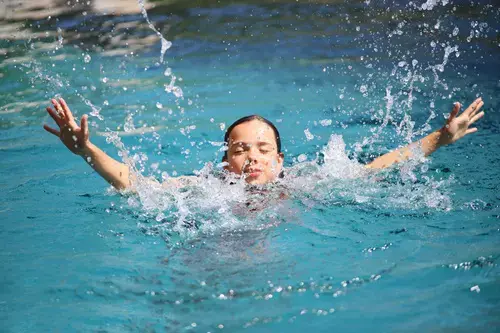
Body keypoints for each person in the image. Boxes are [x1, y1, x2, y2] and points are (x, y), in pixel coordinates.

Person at [43, 97, 484, 190]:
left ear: (280, 159)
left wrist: (441, 138)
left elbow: (379, 166)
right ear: (225, 160)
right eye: (239, 150)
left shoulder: (310, 180)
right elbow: (134, 184)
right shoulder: (204, 189)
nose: (251, 157)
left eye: (262, 149)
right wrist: (87, 150)